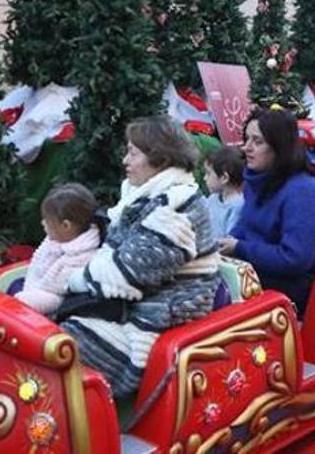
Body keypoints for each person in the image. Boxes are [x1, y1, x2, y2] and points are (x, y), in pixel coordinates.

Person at [61, 116, 219, 397]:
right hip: (133, 309)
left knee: (61, 344)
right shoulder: (142, 198)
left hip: (155, 324)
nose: (125, 160)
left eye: (133, 152)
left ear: (160, 158)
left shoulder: (176, 209)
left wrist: (69, 280)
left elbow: (126, 272)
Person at [221, 109, 315, 313]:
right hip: (271, 268)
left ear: (279, 147)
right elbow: (246, 225)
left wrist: (239, 248)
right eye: (246, 139)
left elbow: (294, 259)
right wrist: (226, 243)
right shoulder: (257, 181)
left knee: (229, 294)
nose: (246, 148)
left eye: (257, 141)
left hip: (310, 280)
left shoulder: (302, 190)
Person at [15, 183, 104, 315]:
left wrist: (26, 295)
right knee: (12, 285)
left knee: (19, 301)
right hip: (38, 286)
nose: (43, 223)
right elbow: (38, 263)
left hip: (56, 300)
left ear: (65, 225)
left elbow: (56, 288)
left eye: (47, 220)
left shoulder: (83, 255)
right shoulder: (57, 237)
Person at [204, 146, 245, 239]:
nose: (205, 178)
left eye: (208, 173)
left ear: (224, 178)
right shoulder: (212, 199)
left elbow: (229, 241)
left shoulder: (237, 206)